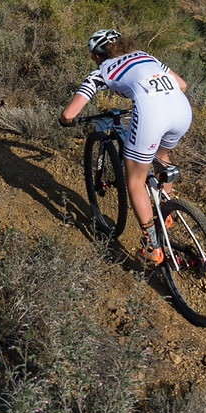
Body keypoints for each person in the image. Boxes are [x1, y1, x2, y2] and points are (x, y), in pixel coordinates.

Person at [59, 28, 190, 267]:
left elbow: (69, 114)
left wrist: (66, 120)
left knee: (135, 181)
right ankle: (166, 210)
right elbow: (182, 84)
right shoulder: (146, 56)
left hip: (153, 115)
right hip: (182, 111)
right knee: (162, 155)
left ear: (96, 56)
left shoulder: (101, 72)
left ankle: (152, 246)